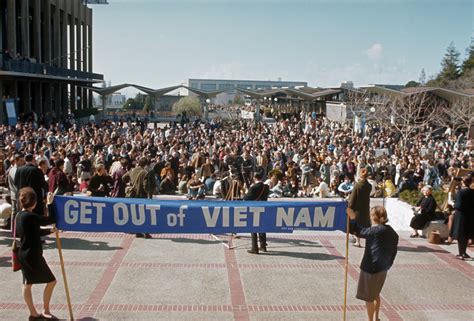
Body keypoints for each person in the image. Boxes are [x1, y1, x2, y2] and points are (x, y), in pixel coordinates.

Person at [348, 206, 398, 321]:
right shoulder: (391, 231)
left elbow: (359, 231)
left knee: (369, 298)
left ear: (373, 217)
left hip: (371, 269)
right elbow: (394, 250)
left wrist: (353, 218)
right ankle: (376, 318)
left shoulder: (375, 231)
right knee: (376, 294)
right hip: (383, 268)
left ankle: (371, 320)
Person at [16, 188, 58, 320]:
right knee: (51, 281)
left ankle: (33, 313)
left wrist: (50, 231)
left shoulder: (19, 216)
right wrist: (50, 204)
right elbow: (51, 218)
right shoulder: (30, 216)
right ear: (33, 203)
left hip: (23, 254)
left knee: (27, 284)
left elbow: (33, 232)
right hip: (32, 255)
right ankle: (45, 310)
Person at [123, 157, 152, 238]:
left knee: (134, 214)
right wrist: (149, 195)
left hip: (132, 195)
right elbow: (145, 186)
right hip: (141, 196)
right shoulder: (145, 173)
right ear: (146, 165)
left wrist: (129, 184)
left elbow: (123, 177)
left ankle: (137, 231)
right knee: (144, 215)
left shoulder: (132, 170)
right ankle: (145, 232)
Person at [244, 169, 270, 254]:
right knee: (262, 227)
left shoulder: (253, 187)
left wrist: (245, 191)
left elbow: (246, 199)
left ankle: (254, 248)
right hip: (263, 208)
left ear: (255, 178)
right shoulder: (266, 187)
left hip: (254, 209)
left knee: (253, 228)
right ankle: (263, 246)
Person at [451, 172, 474, 260]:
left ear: (463, 183)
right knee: (466, 235)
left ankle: (461, 253)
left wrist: (453, 204)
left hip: (461, 216)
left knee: (461, 236)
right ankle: (464, 252)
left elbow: (458, 205)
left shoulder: (460, 192)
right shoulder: (472, 192)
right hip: (470, 216)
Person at [347, 168, 372, 247]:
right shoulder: (369, 186)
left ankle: (358, 241)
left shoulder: (357, 185)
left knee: (357, 224)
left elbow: (353, 198)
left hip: (357, 208)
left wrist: (349, 207)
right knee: (365, 223)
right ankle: (368, 240)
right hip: (365, 207)